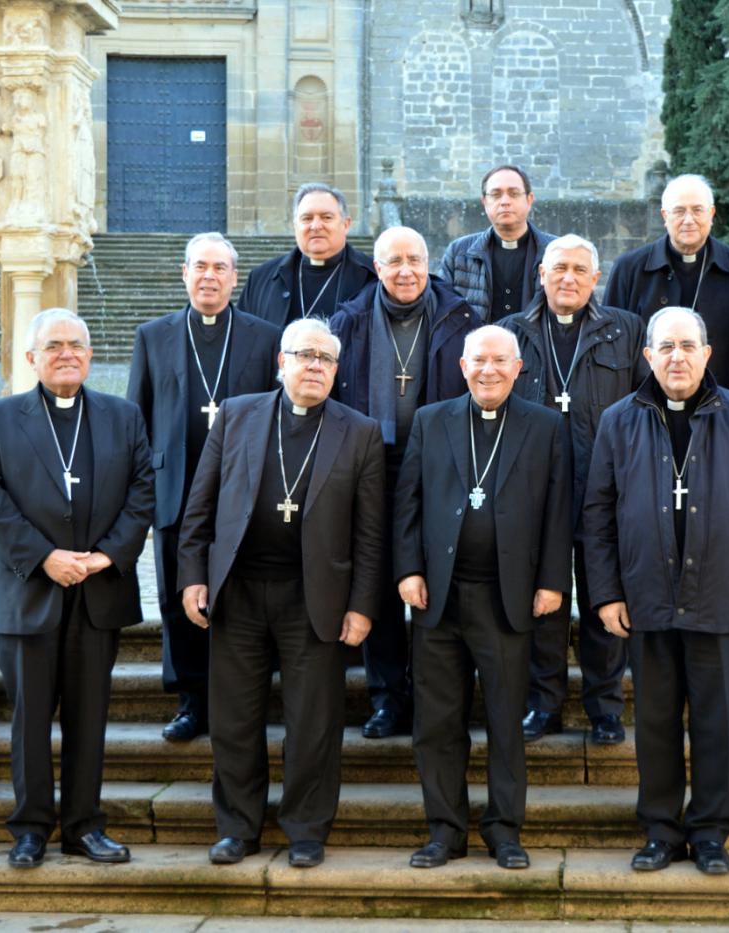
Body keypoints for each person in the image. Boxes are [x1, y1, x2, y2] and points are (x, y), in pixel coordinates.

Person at [175, 317, 386, 869]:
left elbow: (371, 533)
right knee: (233, 719)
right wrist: (193, 575)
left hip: (313, 597)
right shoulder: (237, 415)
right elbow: (200, 504)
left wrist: (362, 606)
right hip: (239, 591)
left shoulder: (359, 431)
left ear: (336, 371)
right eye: (304, 355)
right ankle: (237, 828)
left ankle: (307, 829)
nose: (315, 365)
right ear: (281, 363)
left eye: (326, 358)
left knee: (314, 722)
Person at [582, 306, 729, 876]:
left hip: (719, 591)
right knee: (655, 722)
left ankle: (712, 833)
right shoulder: (619, 420)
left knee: (715, 722)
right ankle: (661, 831)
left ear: (706, 354)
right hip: (646, 594)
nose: (677, 357)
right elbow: (597, 513)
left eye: (687, 346)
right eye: (666, 347)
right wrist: (606, 594)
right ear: (647, 355)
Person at [0, 308, 153, 869]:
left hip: (98, 591)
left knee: (89, 717)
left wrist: (105, 556)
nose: (66, 354)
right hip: (29, 592)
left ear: (90, 355)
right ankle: (30, 828)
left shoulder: (124, 417)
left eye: (76, 345)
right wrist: (44, 557)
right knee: (30, 720)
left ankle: (83, 826)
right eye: (53, 346)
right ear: (32, 358)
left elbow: (143, 491)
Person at [393, 325, 572, 871]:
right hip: (439, 599)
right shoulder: (431, 420)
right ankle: (444, 832)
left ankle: (504, 831)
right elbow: (408, 502)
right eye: (479, 360)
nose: (488, 370)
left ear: (518, 368)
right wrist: (408, 570)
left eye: (499, 360)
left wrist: (552, 580)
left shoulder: (545, 426)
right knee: (436, 724)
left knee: (505, 722)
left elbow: (559, 509)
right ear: (462, 366)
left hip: (506, 599)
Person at [126, 232, 281, 743]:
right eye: (200, 267)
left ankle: (242, 697)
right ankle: (190, 700)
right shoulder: (153, 336)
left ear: (235, 278)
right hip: (174, 489)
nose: (209, 276)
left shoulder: (264, 337)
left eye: (219, 268)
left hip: (242, 492)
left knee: (240, 598)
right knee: (178, 598)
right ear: (185, 273)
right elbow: (136, 420)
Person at [329, 225, 480, 738]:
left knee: (436, 579)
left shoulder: (460, 318)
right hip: (371, 464)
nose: (406, 271)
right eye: (394, 261)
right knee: (378, 580)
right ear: (377, 268)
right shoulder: (348, 321)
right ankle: (387, 698)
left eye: (414, 259)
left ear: (428, 262)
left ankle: (437, 697)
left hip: (440, 467)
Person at [499, 234, 648, 745]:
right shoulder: (510, 332)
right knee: (544, 604)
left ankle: (605, 707)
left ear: (596, 279)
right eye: (559, 268)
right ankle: (543, 704)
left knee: (606, 596)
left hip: (604, 488)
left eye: (580, 270)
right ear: (541, 273)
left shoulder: (625, 330)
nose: (569, 278)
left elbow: (643, 407)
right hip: (533, 493)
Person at [602, 174, 729, 388]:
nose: (688, 220)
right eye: (679, 211)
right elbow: (612, 344)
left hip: (720, 398)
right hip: (646, 399)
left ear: (711, 214)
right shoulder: (629, 269)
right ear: (664, 216)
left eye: (697, 210)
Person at [236, 183, 378, 326]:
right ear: (295, 226)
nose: (316, 226)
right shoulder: (260, 279)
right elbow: (243, 333)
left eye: (326, 217)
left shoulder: (374, 276)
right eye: (307, 218)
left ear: (346, 224)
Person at [440, 165, 556, 321]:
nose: (505, 201)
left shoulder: (557, 251)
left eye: (514, 194)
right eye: (496, 194)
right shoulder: (458, 252)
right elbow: (442, 312)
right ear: (484, 202)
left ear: (529, 200)